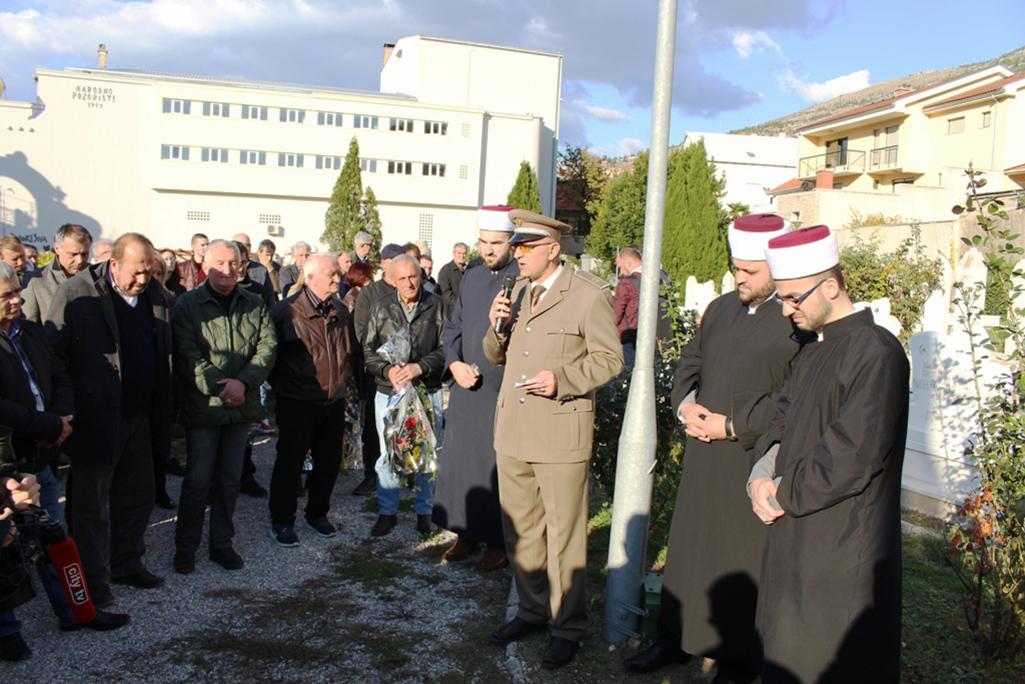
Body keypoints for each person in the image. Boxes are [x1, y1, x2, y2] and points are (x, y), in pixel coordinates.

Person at [624, 214, 807, 680]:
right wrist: (685, 406)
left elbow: (794, 400)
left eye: (750, 271)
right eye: (736, 269)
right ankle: (673, 638)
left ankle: (733, 656)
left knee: (737, 559)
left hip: (750, 459)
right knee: (688, 551)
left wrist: (732, 425)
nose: (739, 279)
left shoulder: (796, 321)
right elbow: (693, 360)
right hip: (702, 455)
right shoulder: (723, 307)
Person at [748, 225, 909, 684]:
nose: (786, 309)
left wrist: (780, 493)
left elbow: (851, 455)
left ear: (832, 286)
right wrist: (761, 474)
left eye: (795, 297)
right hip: (794, 530)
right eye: (782, 297)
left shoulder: (876, 352)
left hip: (842, 546)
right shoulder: (812, 351)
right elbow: (782, 421)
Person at [484, 210, 623, 670]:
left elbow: (608, 360)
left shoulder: (586, 295)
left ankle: (567, 626)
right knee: (520, 530)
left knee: (564, 538)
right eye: (515, 247)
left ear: (552, 249)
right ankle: (530, 609)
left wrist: (561, 378)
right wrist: (496, 325)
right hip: (515, 432)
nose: (516, 255)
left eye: (525, 247)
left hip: (561, 433)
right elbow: (495, 354)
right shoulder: (516, 292)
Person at [0, 263, 131, 636]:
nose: (17, 300)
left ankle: (76, 611)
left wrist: (61, 417)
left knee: (54, 538)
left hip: (42, 451)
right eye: (7, 295)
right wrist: (46, 425)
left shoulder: (26, 330)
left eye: (16, 292)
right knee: (4, 545)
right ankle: (8, 631)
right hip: (7, 458)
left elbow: (58, 373)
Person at [45, 233, 174, 608]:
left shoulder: (157, 297)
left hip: (141, 416)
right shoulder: (77, 293)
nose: (142, 280)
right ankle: (93, 579)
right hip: (96, 419)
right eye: (136, 273)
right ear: (113, 264)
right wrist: (66, 410)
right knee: (92, 504)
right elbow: (55, 357)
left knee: (137, 495)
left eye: (149, 272)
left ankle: (126, 561)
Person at [171, 239, 277, 574]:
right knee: (198, 480)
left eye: (235, 263)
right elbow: (187, 354)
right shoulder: (187, 304)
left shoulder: (254, 302)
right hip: (205, 407)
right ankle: (186, 547)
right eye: (221, 262)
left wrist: (243, 383)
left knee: (230, 479)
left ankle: (221, 543)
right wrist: (222, 386)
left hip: (241, 406)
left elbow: (267, 346)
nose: (228, 270)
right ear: (205, 265)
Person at [432, 206, 519, 571]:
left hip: (500, 388)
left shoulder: (522, 279)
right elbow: (453, 326)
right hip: (466, 383)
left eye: (496, 243)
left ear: (512, 243)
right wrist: (453, 362)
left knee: (495, 466)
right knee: (462, 461)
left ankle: (498, 541)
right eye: (483, 242)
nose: (487, 250)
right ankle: (464, 532)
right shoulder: (471, 278)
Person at [268, 254, 359, 546]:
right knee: (290, 463)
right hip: (297, 401)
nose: (338, 278)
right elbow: (270, 359)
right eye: (332, 274)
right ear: (311, 277)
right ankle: (282, 521)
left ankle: (317, 513)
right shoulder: (287, 312)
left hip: (333, 401)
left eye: (337, 274)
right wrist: (288, 386)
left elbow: (348, 350)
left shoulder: (340, 311)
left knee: (329, 463)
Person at [363, 254, 447, 537]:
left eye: (414, 277)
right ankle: (388, 512)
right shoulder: (381, 307)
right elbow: (368, 351)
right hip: (389, 392)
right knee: (388, 453)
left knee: (427, 452)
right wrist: (388, 371)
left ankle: (425, 512)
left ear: (421, 275)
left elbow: (447, 348)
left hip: (426, 390)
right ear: (392, 279)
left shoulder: (437, 306)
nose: (409, 283)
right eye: (402, 278)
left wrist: (420, 367)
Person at [350, 243, 404, 497]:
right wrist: (388, 361)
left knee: (405, 423)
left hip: (408, 372)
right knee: (373, 426)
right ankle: (373, 475)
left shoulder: (411, 288)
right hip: (377, 372)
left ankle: (403, 470)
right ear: (384, 264)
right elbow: (362, 334)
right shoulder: (370, 294)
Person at [22, 224, 93, 323]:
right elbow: (29, 326)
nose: (79, 260)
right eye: (73, 254)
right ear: (57, 249)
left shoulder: (96, 276)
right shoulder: (36, 280)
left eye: (85, 254)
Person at [612, 246, 642, 367]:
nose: (621, 271)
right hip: (657, 338)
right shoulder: (661, 278)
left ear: (628, 262)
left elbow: (616, 313)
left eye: (620, 266)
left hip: (629, 337)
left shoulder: (626, 283)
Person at [438, 241, 470, 310]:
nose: (462, 256)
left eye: (464, 253)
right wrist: (460, 305)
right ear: (453, 253)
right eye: (459, 253)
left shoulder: (469, 271)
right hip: (451, 311)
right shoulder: (446, 271)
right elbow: (445, 293)